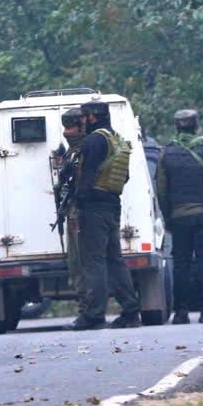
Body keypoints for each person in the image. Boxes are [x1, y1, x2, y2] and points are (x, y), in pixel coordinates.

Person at [67, 100, 141, 330]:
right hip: (112, 204)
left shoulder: (93, 140)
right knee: (115, 260)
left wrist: (79, 202)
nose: (81, 122)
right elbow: (124, 176)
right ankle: (130, 311)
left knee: (93, 261)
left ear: (92, 117)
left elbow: (87, 175)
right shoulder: (116, 139)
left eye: (83, 117)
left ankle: (94, 315)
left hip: (94, 207)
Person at [156, 109, 203, 324]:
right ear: (197, 126)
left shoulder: (165, 153)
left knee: (180, 264)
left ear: (176, 126)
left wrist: (167, 217)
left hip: (178, 217)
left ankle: (181, 313)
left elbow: (161, 190)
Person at [54, 108, 86, 302]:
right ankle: (86, 306)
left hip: (80, 211)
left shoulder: (83, 149)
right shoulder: (72, 151)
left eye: (70, 127)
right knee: (75, 262)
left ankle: (88, 307)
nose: (66, 133)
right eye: (65, 128)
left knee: (81, 262)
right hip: (73, 210)